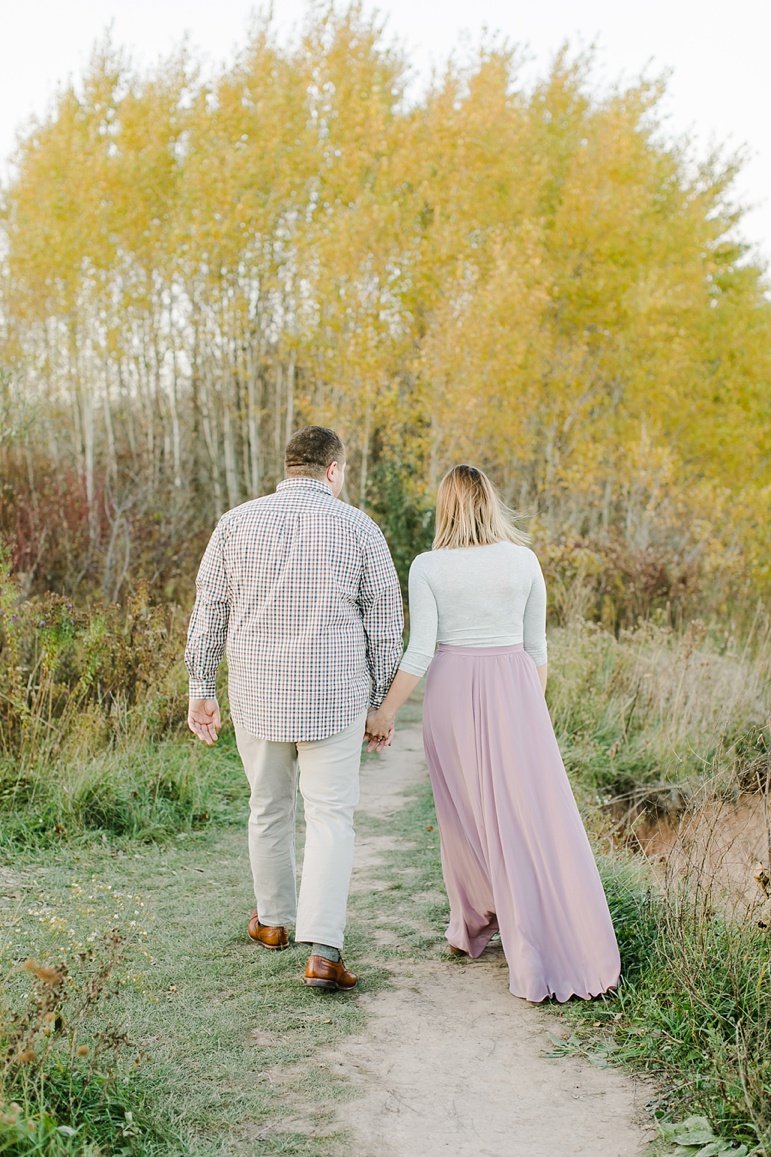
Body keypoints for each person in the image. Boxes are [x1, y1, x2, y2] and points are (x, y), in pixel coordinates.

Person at [366, 464, 620, 1002]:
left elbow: (421, 650)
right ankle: (512, 918)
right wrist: (530, 712)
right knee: (525, 813)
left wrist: (385, 711)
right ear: (490, 503)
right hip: (517, 689)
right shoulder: (524, 560)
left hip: (453, 691)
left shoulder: (428, 565)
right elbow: (537, 651)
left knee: (466, 813)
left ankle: (475, 922)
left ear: (446, 507)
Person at [185, 426, 403, 991]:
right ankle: (324, 952)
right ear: (333, 470)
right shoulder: (360, 527)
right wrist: (381, 703)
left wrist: (200, 686)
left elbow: (209, 608)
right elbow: (384, 626)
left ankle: (273, 922)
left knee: (268, 808)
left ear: (290, 468)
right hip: (334, 698)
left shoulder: (235, 523)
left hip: (257, 695)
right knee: (331, 818)